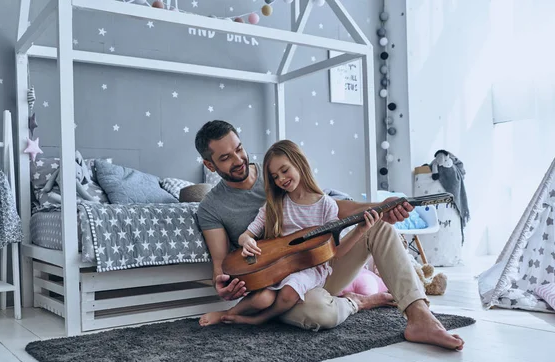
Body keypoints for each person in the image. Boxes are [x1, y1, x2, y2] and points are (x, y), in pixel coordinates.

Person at [195, 120, 464, 350]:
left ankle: (420, 317)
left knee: (379, 225)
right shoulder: (211, 207)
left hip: (320, 267)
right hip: (278, 286)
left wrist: (381, 207)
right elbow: (220, 264)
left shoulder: (276, 171)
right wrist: (223, 284)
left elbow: (332, 207)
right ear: (209, 164)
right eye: (225, 157)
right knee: (318, 313)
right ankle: (357, 301)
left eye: (238, 149)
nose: (238, 159)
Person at [199, 140, 391, 326]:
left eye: (284, 170)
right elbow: (247, 234)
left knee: (289, 293)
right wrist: (246, 240)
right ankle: (228, 314)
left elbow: (336, 252)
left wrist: (360, 230)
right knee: (262, 299)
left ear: (299, 163)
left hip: (311, 269)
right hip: (279, 268)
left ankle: (259, 320)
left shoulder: (326, 205)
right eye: (275, 176)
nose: (281, 179)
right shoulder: (275, 205)